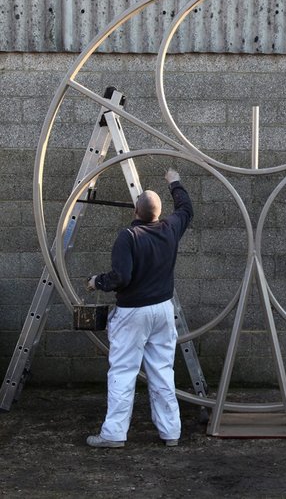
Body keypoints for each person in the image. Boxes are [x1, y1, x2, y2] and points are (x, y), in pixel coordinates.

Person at [85, 168, 193, 449]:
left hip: (133, 313)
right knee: (162, 371)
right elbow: (186, 208)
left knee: (123, 371)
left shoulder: (128, 237)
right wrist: (174, 182)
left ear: (135, 210)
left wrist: (97, 282)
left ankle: (114, 434)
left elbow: (122, 277)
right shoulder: (170, 229)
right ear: (158, 213)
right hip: (162, 310)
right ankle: (171, 433)